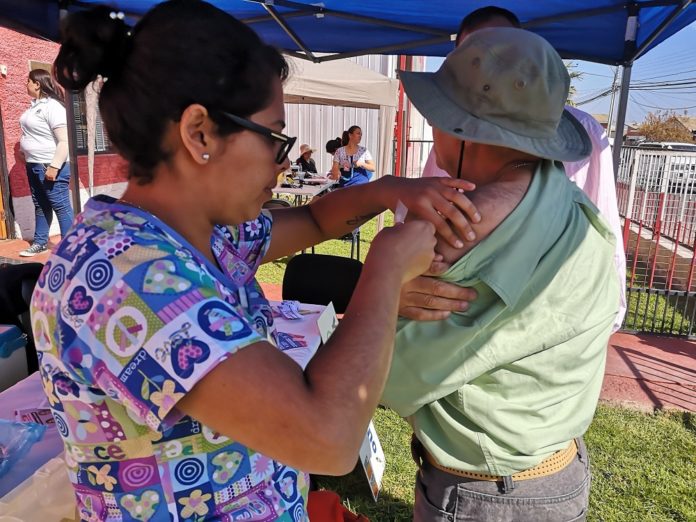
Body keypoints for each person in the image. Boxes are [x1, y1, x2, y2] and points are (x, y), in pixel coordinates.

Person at [31, 2, 480, 521]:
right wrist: (383, 269)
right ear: (199, 132)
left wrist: (386, 190)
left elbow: (314, 222)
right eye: (274, 137)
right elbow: (327, 438)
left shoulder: (194, 235)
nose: (282, 160)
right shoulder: (123, 277)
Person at [382, 27, 620, 521]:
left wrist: (382, 296)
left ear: (464, 129)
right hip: (559, 473)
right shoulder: (566, 200)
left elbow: (387, 379)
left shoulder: (459, 233)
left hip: (486, 497)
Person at [399, 6, 626, 332]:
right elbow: (429, 203)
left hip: (549, 316)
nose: (490, 69)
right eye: (474, 57)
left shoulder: (586, 133)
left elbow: (600, 221)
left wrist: (388, 271)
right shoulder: (453, 152)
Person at [18, 68, 74, 257]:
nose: (26, 84)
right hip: (33, 165)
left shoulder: (53, 107)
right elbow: (32, 134)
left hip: (49, 166)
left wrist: (54, 166)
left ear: (37, 84)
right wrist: (23, 151)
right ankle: (41, 242)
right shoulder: (33, 107)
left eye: (28, 81)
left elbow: (65, 140)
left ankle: (70, 248)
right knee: (40, 205)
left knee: (61, 205)